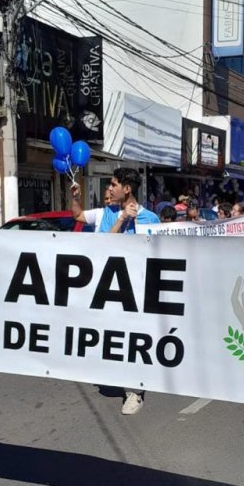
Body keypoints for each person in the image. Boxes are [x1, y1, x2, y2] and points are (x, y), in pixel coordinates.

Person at [71, 168, 159, 415]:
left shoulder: (150, 218)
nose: (109, 188)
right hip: (109, 290)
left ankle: (134, 392)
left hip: (137, 292)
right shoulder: (106, 213)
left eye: (113, 184)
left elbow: (158, 255)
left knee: (134, 340)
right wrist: (121, 219)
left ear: (127, 189)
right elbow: (98, 242)